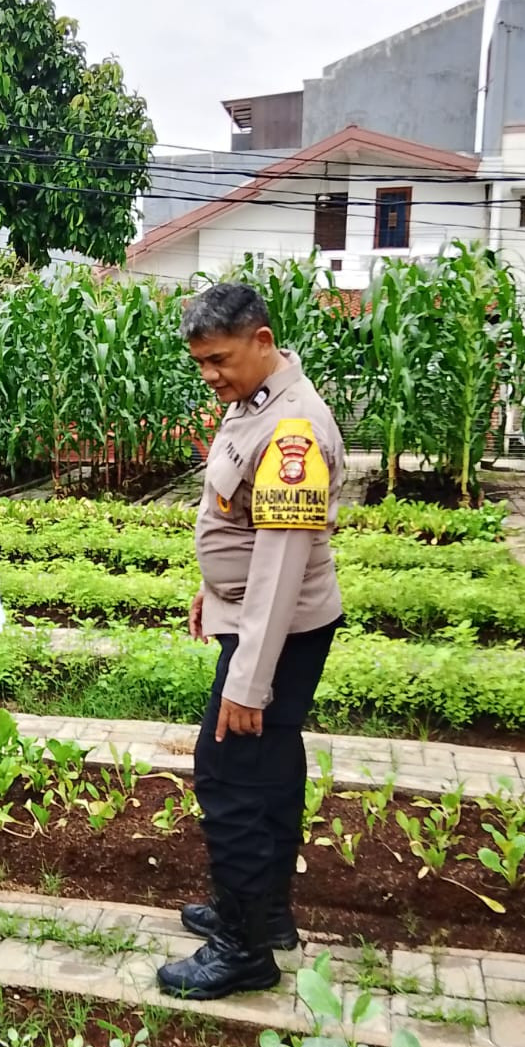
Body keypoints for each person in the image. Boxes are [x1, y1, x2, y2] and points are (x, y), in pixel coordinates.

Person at [157, 282, 345, 1001]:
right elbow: (241, 521)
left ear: (262, 341)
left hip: (279, 632)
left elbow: (281, 562)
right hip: (262, 619)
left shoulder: (291, 430)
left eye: (220, 358)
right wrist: (215, 590)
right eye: (201, 361)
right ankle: (263, 915)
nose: (210, 374)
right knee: (269, 769)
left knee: (228, 773)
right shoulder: (255, 403)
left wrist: (248, 681)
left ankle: (242, 948)